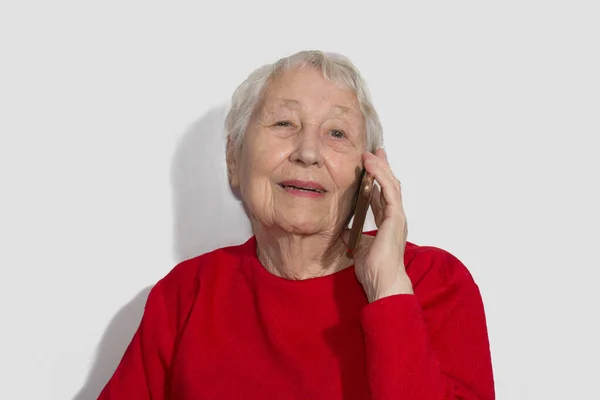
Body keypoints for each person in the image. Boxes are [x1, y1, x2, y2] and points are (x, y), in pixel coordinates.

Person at [98, 50, 495, 399]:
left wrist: (388, 290)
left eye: (336, 133)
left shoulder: (434, 283)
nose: (308, 152)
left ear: (368, 174)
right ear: (234, 161)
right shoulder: (184, 295)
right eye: (284, 123)